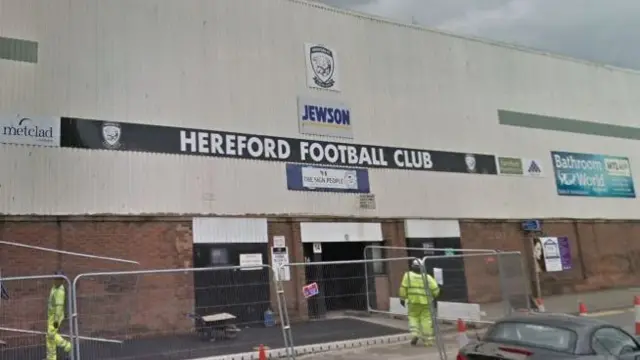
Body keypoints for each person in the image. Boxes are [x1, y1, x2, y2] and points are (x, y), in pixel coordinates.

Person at [399, 259, 440, 346]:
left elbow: (403, 288)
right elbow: (436, 290)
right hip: (426, 303)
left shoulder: (408, 276)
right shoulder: (427, 277)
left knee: (413, 318)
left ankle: (415, 334)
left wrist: (402, 299)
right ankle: (428, 341)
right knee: (426, 320)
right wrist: (434, 297)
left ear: (412, 267)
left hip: (413, 302)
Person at [47, 270, 72, 360]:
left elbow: (59, 308)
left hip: (55, 317)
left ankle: (67, 345)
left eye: (59, 279)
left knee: (51, 335)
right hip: (51, 316)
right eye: (56, 278)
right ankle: (51, 357)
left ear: (62, 280)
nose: (57, 280)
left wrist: (56, 321)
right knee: (50, 338)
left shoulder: (60, 291)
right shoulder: (54, 287)